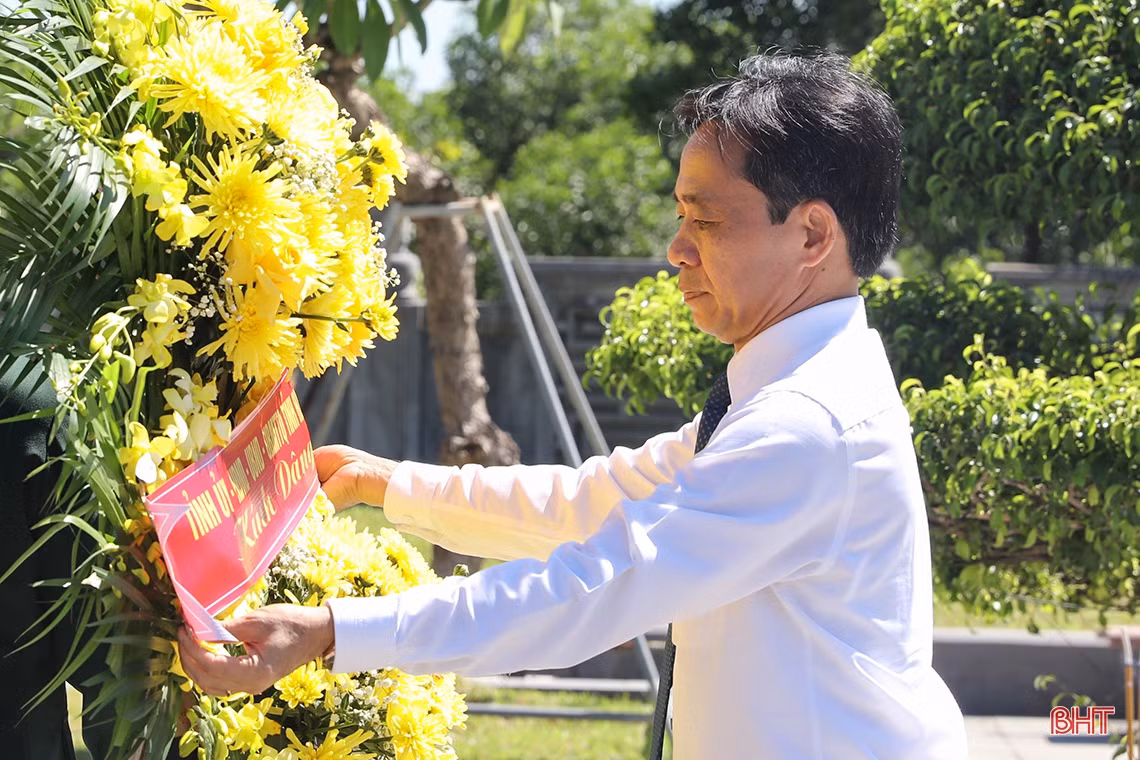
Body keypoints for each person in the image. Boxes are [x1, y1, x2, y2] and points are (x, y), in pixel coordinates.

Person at [178, 52, 969, 757]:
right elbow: (602, 500)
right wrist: (390, 483)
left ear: (812, 235)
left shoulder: (806, 424)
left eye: (707, 219)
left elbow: (600, 581)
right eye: (680, 214)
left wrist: (332, 633)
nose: (677, 247)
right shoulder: (793, 389)